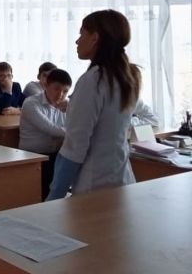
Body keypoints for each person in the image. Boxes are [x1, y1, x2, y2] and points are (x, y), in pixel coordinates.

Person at [47, 10, 141, 199]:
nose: (77, 41)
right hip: (122, 179)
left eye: (81, 33)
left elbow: (75, 147)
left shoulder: (93, 80)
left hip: (94, 185)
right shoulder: (128, 77)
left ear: (95, 38)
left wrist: (55, 195)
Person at [19, 68, 71, 198]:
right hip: (32, 157)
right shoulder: (31, 103)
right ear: (46, 85)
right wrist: (75, 132)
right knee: (42, 196)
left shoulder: (67, 105)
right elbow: (51, 129)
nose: (61, 94)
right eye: (57, 89)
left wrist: (71, 109)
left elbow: (76, 125)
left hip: (56, 155)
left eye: (65, 91)